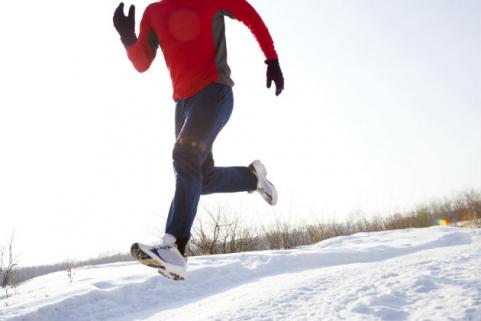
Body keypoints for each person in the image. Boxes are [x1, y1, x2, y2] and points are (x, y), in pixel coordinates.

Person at [113, 0, 284, 280]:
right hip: (183, 104)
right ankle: (253, 178)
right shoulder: (154, 12)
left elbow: (249, 15)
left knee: (184, 157)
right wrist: (128, 38)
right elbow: (143, 63)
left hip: (214, 93)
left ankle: (174, 247)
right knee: (201, 180)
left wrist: (272, 59)